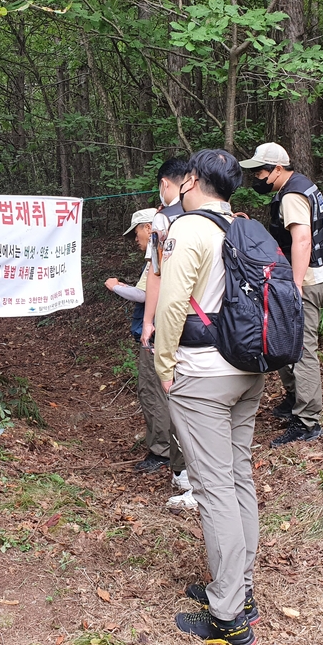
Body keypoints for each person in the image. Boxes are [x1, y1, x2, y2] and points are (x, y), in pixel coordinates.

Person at [153, 149, 263, 645]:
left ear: (192, 179)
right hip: (248, 370)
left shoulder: (189, 230)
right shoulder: (240, 226)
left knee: (214, 488)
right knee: (238, 477)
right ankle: (239, 588)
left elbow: (174, 302)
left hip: (203, 377)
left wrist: (163, 363)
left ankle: (228, 615)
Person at [240, 142, 323, 447]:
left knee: (301, 348)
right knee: (285, 338)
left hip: (307, 280)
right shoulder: (301, 186)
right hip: (316, 274)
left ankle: (307, 421)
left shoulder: (293, 195)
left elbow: (302, 240)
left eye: (260, 171)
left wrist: (294, 286)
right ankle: (295, 398)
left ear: (277, 169)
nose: (256, 176)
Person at [105, 209, 194, 509]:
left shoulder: (159, 251)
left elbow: (144, 296)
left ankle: (161, 452)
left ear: (148, 227)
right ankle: (172, 454)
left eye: (136, 234)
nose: (135, 241)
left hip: (156, 335)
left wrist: (115, 286)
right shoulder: (174, 247)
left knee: (154, 392)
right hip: (167, 333)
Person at [136, 159, 192, 477]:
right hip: (207, 321)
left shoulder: (163, 220)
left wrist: (148, 322)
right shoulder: (212, 214)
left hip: (171, 319)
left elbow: (154, 276)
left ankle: (180, 468)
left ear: (165, 184)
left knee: (164, 387)